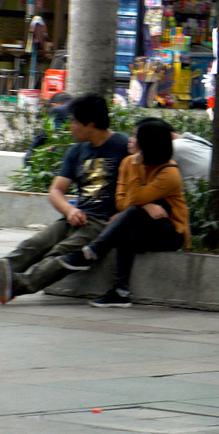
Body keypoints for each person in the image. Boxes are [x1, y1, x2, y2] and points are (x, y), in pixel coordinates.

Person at [0, 95, 129, 304]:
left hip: (102, 223)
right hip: (75, 217)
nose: (70, 126)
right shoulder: (77, 150)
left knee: (60, 252)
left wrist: (123, 215)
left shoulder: (122, 146)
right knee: (33, 244)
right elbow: (56, 190)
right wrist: (69, 211)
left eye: (74, 121)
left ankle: (17, 285)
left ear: (90, 124)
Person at [57, 119, 190, 308]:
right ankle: (120, 292)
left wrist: (140, 200)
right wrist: (146, 205)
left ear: (148, 143)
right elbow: (120, 203)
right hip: (142, 225)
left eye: (136, 136)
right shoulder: (127, 162)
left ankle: (91, 252)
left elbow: (133, 200)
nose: (130, 139)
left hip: (169, 233)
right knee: (129, 228)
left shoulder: (169, 173)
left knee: (133, 213)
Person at [25, 91, 74, 163]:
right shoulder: (84, 107)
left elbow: (48, 133)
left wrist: (30, 154)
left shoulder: (58, 110)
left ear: (53, 105)